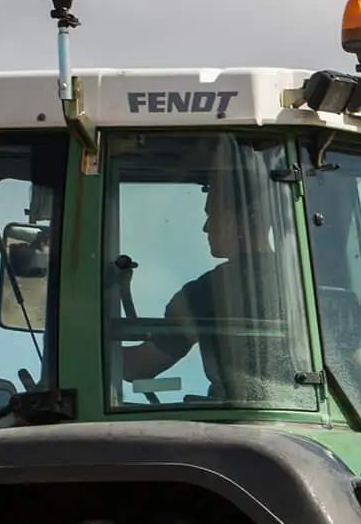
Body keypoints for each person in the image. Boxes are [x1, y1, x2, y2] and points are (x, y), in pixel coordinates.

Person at [118, 166, 302, 407]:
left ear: (241, 222)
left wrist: (87, 348)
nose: (205, 227)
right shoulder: (305, 284)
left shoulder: (207, 292)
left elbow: (138, 366)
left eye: (212, 215)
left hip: (235, 424)